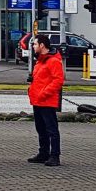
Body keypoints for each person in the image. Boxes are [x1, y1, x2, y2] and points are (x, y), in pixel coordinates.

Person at [27, 34, 64, 166]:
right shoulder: (41, 60)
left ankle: (55, 155)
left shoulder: (53, 61)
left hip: (46, 100)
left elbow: (58, 80)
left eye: (35, 44)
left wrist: (44, 93)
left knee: (51, 129)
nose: (33, 46)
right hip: (38, 100)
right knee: (41, 128)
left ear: (42, 45)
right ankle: (43, 153)